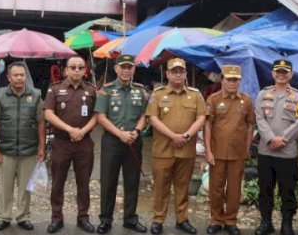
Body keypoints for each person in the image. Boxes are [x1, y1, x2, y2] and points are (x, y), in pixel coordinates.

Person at [146, 57, 206, 235]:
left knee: (182, 186)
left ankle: (182, 219)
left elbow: (201, 118)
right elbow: (153, 118)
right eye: (174, 71)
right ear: (167, 74)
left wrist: (186, 136)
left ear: (186, 74)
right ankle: (158, 219)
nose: (178, 75)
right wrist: (173, 136)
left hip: (186, 149)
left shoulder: (195, 95)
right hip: (163, 149)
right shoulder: (158, 94)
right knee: (161, 187)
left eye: (181, 71)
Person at [94, 54, 147, 234]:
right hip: (112, 142)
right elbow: (100, 116)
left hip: (133, 140)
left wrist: (137, 131)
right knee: (109, 181)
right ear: (116, 69)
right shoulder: (106, 90)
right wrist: (120, 134)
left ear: (133, 70)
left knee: (132, 181)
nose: (126, 70)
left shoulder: (140, 91)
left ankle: (130, 219)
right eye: (122, 67)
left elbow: (144, 115)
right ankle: (106, 219)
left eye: (129, 67)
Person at [44, 56, 97, 234]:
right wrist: (70, 130)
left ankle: (83, 217)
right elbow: (49, 114)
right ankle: (56, 218)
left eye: (80, 67)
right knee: (58, 182)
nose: (76, 70)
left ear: (84, 70)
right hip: (61, 142)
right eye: (72, 67)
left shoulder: (91, 90)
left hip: (84, 143)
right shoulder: (55, 89)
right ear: (66, 70)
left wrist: (81, 131)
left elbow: (98, 115)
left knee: (84, 183)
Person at [0, 62, 46, 231]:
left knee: (25, 187)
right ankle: (5, 216)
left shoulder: (35, 95)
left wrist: (42, 147)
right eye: (16, 75)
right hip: (6, 150)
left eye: (22, 75)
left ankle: (23, 216)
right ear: (9, 77)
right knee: (5, 186)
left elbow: (41, 122)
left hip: (29, 150)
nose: (19, 78)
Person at [254, 59, 298, 235]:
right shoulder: (263, 94)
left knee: (288, 190)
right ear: (273, 73)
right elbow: (259, 119)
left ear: (291, 74)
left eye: (285, 71)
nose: (281, 74)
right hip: (266, 151)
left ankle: (287, 224)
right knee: (265, 189)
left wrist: (281, 139)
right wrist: (270, 139)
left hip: (288, 152)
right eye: (278, 71)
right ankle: (266, 222)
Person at [204, 65, 254, 235]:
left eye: (236, 79)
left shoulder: (246, 100)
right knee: (215, 188)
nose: (232, 82)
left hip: (237, 152)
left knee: (234, 189)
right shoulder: (213, 99)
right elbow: (208, 125)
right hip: (217, 152)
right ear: (223, 80)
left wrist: (247, 147)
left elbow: (250, 125)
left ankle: (231, 220)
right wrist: (208, 151)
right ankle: (216, 219)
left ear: (240, 81)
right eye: (229, 79)